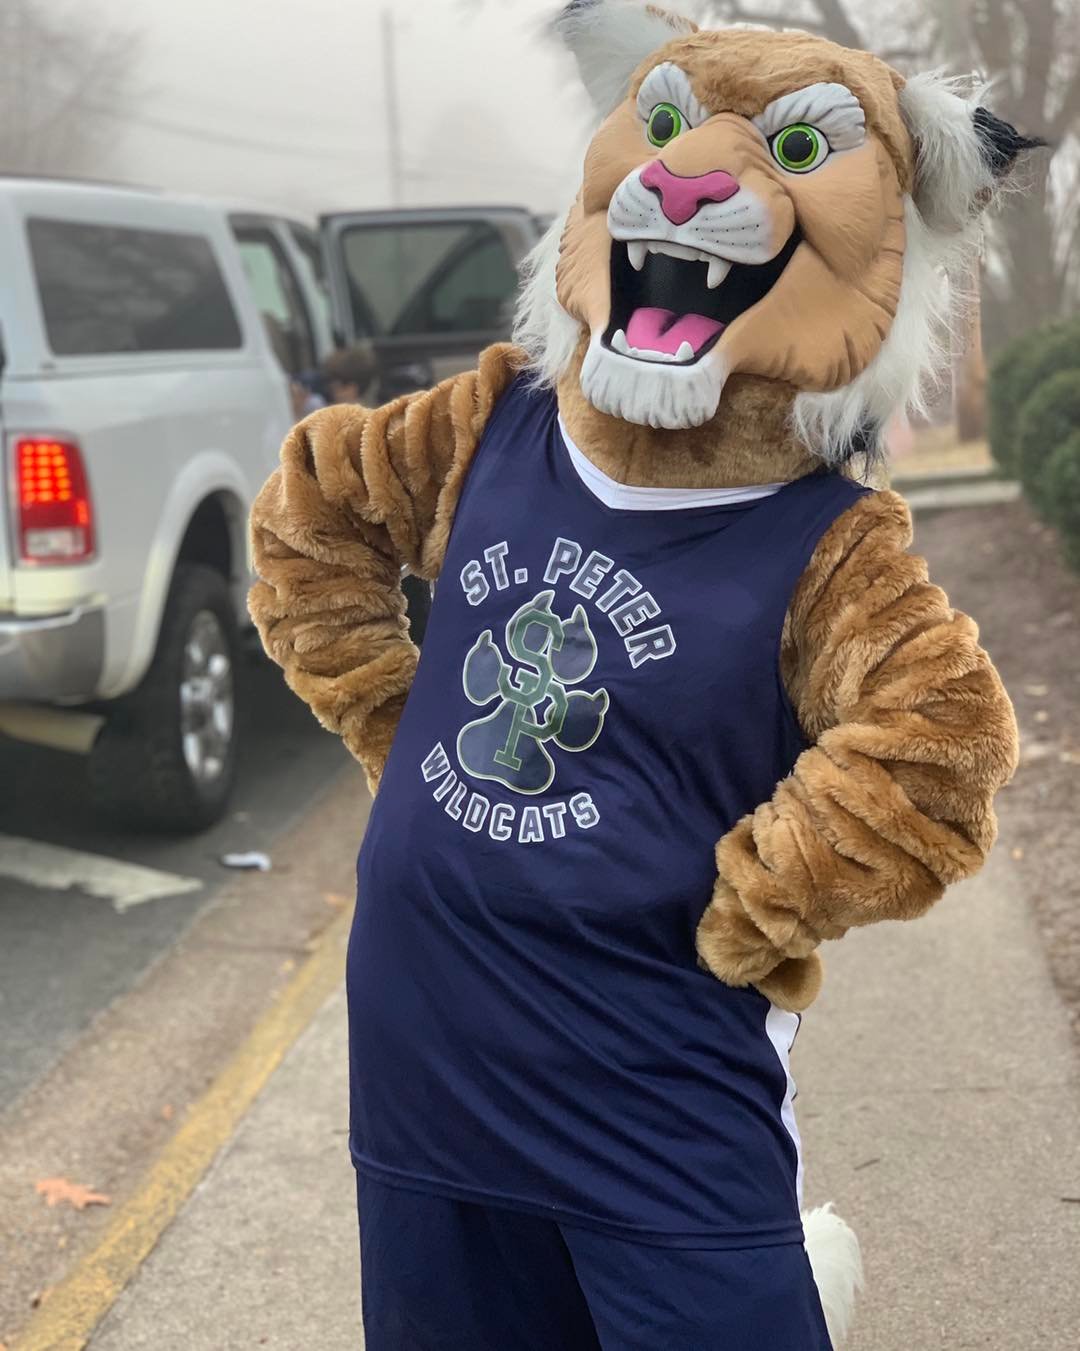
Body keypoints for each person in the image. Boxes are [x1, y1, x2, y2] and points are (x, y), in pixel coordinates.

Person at [249, 6, 1038, 1347]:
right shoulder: (491, 428)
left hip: (656, 1100)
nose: (683, 177)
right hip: (425, 1067)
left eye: (796, 148)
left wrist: (754, 902)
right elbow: (313, 512)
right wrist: (396, 726)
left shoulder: (825, 542)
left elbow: (942, 742)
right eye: (664, 126)